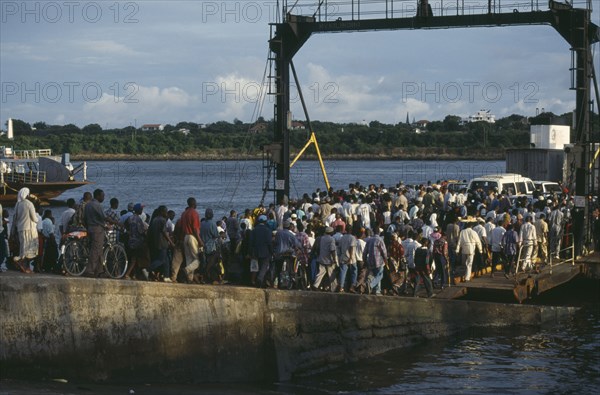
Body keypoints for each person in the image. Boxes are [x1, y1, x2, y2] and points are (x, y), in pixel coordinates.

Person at [11, 188, 39, 273]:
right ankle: (26, 267)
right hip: (30, 229)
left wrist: (12, 231)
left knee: (23, 248)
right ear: (27, 195)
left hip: (20, 229)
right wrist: (38, 219)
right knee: (29, 249)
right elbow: (34, 218)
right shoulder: (29, 204)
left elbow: (14, 219)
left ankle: (23, 263)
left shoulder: (18, 204)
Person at [83, 189, 109, 277]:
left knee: (98, 249)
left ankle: (100, 270)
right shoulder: (97, 205)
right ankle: (89, 270)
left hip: (90, 228)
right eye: (102, 196)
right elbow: (104, 217)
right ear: (98, 196)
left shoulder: (88, 205)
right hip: (97, 229)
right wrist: (116, 222)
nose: (103, 197)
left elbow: (85, 218)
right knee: (95, 250)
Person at [147, 205, 174, 282]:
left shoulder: (154, 219)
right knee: (161, 260)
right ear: (162, 212)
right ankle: (148, 269)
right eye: (165, 211)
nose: (166, 213)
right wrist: (171, 242)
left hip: (156, 242)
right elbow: (164, 232)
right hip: (162, 243)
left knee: (166, 260)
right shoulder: (162, 220)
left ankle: (166, 276)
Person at [180, 198, 203, 282]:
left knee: (189, 259)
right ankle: (186, 270)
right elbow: (195, 228)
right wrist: (200, 240)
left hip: (185, 236)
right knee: (197, 260)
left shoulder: (184, 213)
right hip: (192, 237)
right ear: (194, 203)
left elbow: (182, 228)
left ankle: (189, 279)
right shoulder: (194, 213)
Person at [362, 227, 388, 295]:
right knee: (380, 275)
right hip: (379, 261)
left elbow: (365, 252)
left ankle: (377, 291)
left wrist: (364, 260)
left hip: (371, 261)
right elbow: (384, 252)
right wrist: (386, 260)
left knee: (375, 275)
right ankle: (371, 285)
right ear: (379, 232)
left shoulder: (369, 240)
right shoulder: (380, 240)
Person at [250, 215, 273, 287]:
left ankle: (260, 280)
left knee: (258, 266)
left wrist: (251, 252)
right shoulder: (268, 230)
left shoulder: (254, 230)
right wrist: (271, 251)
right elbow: (269, 242)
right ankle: (260, 279)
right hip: (265, 251)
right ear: (265, 222)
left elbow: (251, 242)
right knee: (264, 266)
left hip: (256, 252)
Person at [312, 226, 338, 291]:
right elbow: (332, 250)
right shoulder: (331, 239)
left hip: (322, 258)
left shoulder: (321, 238)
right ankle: (334, 288)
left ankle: (315, 285)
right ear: (331, 232)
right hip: (329, 260)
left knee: (320, 273)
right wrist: (334, 259)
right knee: (331, 274)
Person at [201, 208, 221, 284]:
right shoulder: (212, 224)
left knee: (204, 263)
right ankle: (212, 279)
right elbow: (216, 235)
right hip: (211, 247)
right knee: (212, 263)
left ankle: (204, 278)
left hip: (202, 246)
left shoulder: (202, 223)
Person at [337, 227, 357, 293]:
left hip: (343, 256)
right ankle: (352, 286)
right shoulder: (352, 238)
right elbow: (351, 247)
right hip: (351, 258)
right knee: (354, 271)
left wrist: (339, 256)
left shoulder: (342, 237)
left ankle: (341, 287)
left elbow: (339, 247)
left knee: (343, 272)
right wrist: (350, 257)